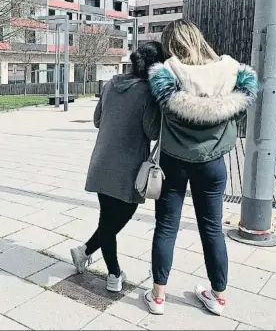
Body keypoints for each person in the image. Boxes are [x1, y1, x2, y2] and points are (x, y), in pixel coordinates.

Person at [144, 19, 258, 316]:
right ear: (199, 38)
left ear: (170, 43)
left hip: (173, 162)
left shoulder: (167, 73)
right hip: (213, 164)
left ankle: (157, 297)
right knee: (212, 229)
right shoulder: (230, 70)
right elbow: (246, 96)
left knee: (166, 227)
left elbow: (154, 119)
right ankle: (217, 297)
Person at [70, 41, 165, 292]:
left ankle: (85, 251)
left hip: (103, 161)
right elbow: (153, 131)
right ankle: (113, 275)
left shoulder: (111, 84)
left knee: (108, 218)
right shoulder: (148, 92)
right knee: (115, 220)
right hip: (129, 167)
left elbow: (97, 119)